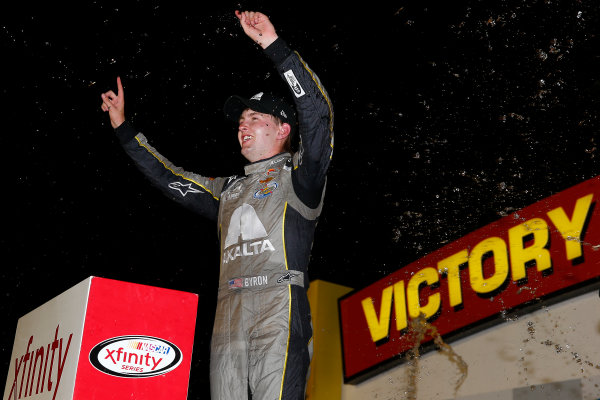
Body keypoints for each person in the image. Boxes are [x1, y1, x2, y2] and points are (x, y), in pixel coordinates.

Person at [100, 10, 334, 400]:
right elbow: (169, 178)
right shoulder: (226, 190)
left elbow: (319, 114)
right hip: (227, 317)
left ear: (282, 129)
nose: (243, 125)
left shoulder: (301, 175)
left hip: (279, 309)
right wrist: (126, 131)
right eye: (240, 120)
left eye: (255, 118)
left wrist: (275, 47)